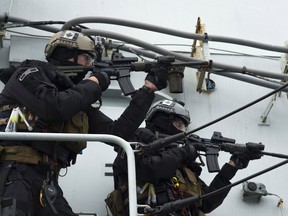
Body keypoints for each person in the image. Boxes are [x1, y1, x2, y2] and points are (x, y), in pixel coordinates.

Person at [0, 30, 168, 216]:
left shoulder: (75, 98)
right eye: (86, 59)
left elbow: (117, 133)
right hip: (12, 172)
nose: (89, 66)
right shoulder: (28, 73)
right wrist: (95, 81)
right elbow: (55, 107)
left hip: (45, 180)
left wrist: (148, 90)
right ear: (66, 54)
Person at [112, 99, 254, 216]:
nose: (181, 132)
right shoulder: (133, 146)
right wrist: (185, 152)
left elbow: (206, 203)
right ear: (161, 121)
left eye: (183, 128)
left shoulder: (183, 166)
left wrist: (231, 167)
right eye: (178, 124)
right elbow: (151, 170)